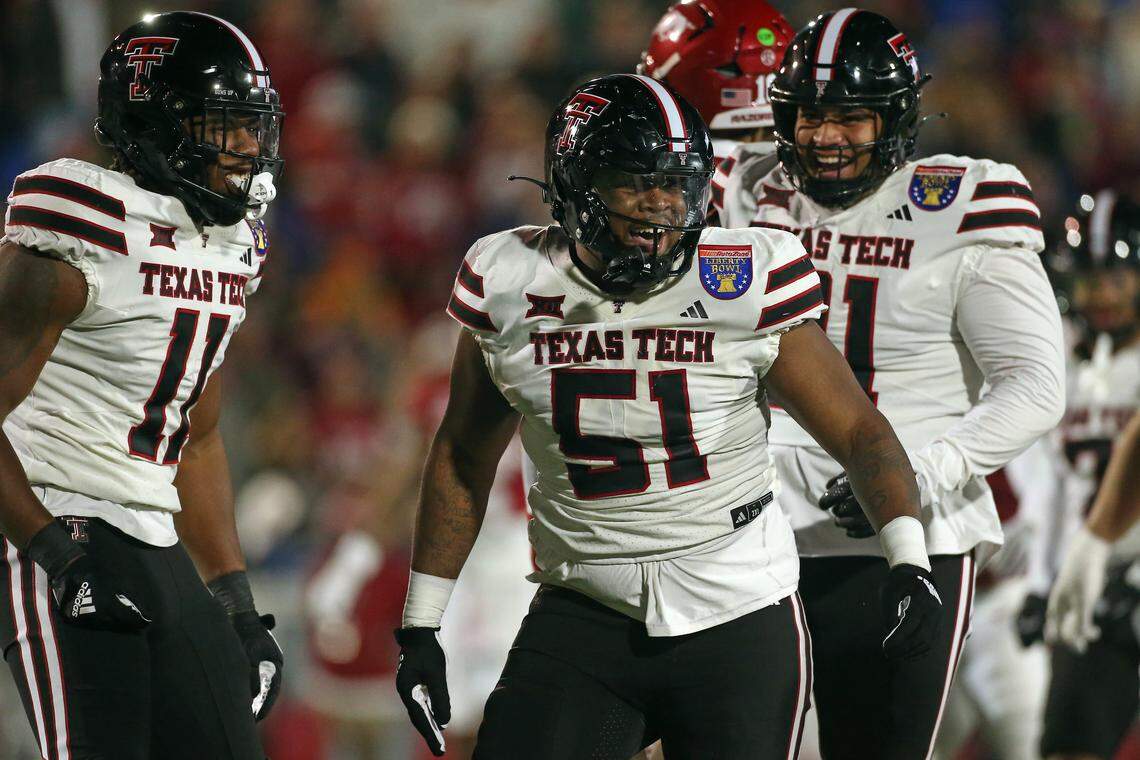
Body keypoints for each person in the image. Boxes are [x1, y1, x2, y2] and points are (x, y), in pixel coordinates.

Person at [392, 72, 943, 760]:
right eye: (637, 183)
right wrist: (421, 623)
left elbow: (859, 430)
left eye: (678, 185)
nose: (663, 205)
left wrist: (909, 558)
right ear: (576, 185)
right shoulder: (508, 280)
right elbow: (462, 455)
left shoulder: (743, 275)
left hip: (736, 613)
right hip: (584, 606)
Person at [718, 9, 1066, 759]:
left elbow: (1035, 384)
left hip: (904, 540)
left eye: (851, 117)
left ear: (896, 119)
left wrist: (917, 475)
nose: (825, 136)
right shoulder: (746, 192)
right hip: (754, 534)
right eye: (810, 115)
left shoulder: (961, 205)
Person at [0, 12, 284, 759]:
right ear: (156, 124)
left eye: (253, 125)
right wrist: (56, 556)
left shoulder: (230, 244)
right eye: (224, 125)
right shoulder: (83, 227)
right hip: (54, 517)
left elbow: (199, 436)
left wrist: (236, 601)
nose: (248, 147)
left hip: (155, 533)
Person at [1030, 190, 1140, 760]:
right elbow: (1053, 489)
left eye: (1117, 277)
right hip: (1093, 582)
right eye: (1089, 279)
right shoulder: (1062, 363)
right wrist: (1042, 583)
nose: (1102, 294)